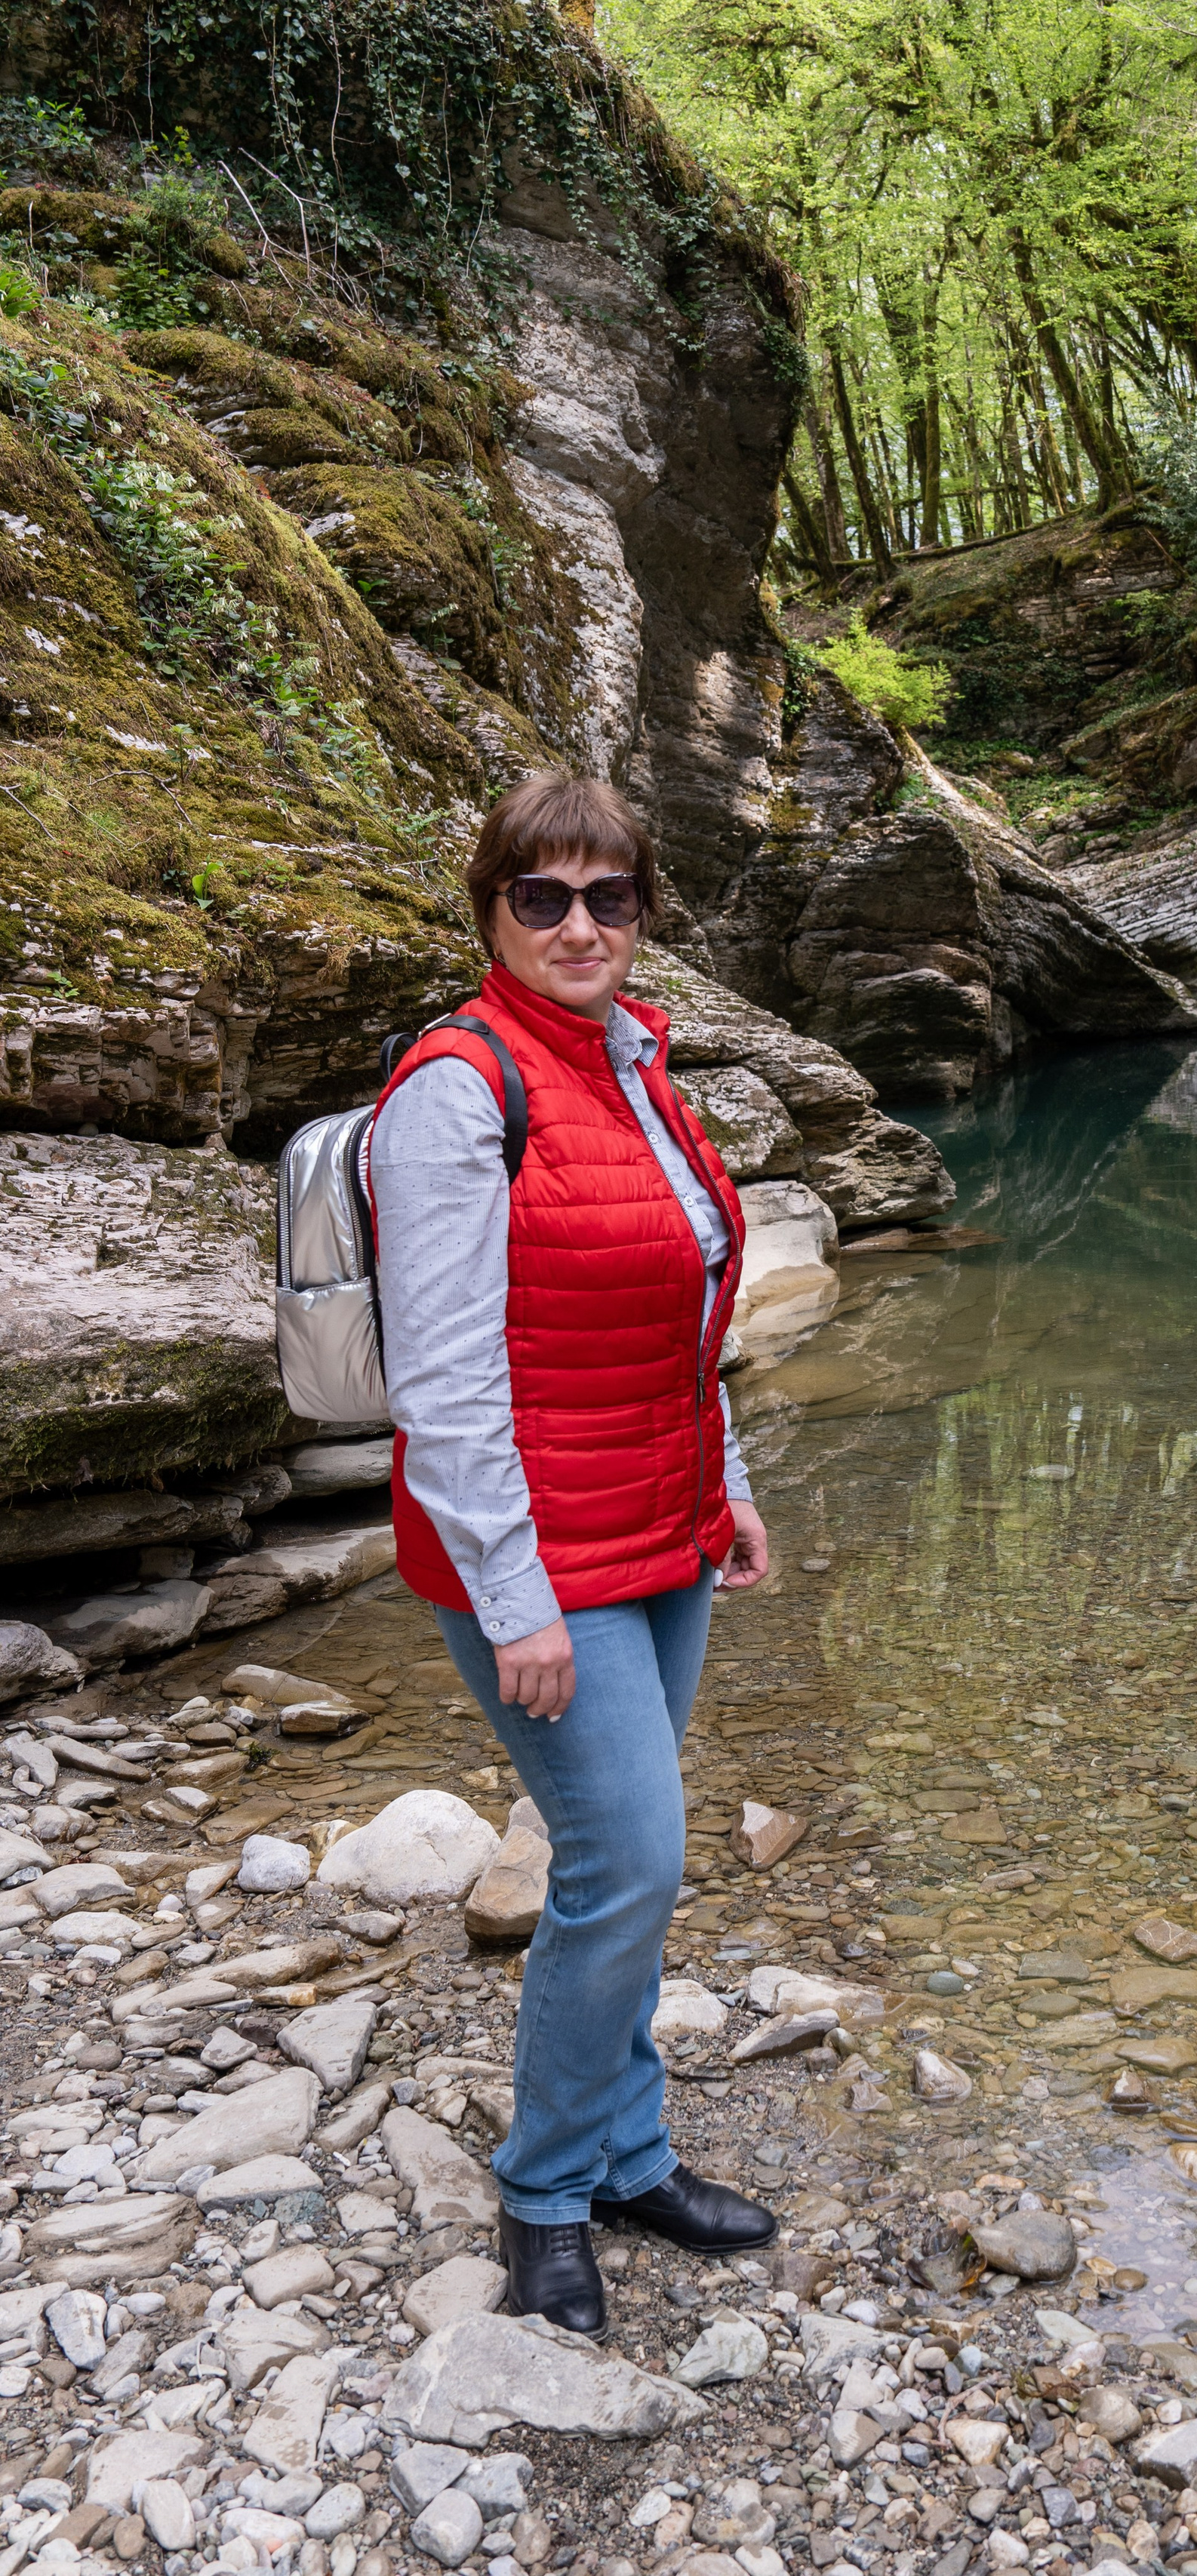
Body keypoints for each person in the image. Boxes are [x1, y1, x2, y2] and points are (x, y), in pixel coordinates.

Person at [367, 771, 776, 2336]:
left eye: (609, 895)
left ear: (643, 911)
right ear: (490, 914)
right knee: (629, 1862)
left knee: (631, 1866)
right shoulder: (456, 1092)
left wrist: (721, 1478)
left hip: (657, 1525)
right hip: (539, 1556)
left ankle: (629, 2154)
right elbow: (448, 1384)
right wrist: (515, 1596)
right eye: (541, 896)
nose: (579, 925)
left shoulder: (637, 1063)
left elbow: (682, 1310)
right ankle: (544, 2187)